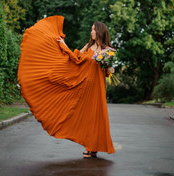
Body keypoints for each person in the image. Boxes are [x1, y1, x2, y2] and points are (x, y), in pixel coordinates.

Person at [17, 15, 115, 158]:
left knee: (96, 117)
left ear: (100, 31)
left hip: (97, 89)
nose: (91, 32)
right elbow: (76, 58)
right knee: (86, 117)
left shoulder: (108, 50)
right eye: (91, 30)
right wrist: (63, 45)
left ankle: (93, 146)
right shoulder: (88, 46)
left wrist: (110, 68)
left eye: (94, 30)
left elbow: (108, 72)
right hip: (84, 86)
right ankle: (89, 146)